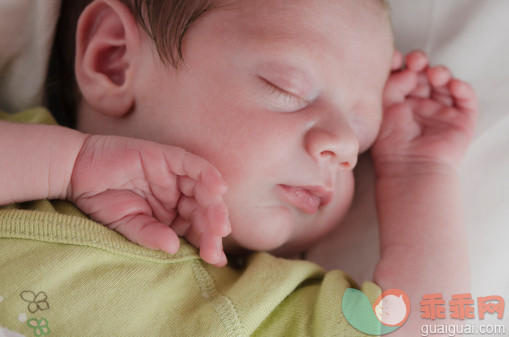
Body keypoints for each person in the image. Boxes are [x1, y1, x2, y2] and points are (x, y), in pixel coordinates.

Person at [0, 0, 477, 335]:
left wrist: (418, 173)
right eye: (288, 89)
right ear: (115, 60)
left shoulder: (263, 308)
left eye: (363, 132)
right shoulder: (23, 158)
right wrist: (69, 165)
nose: (345, 148)